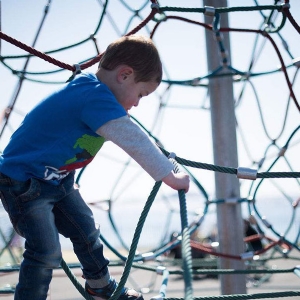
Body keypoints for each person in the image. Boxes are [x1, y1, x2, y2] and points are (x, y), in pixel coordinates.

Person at [0, 35, 190, 300]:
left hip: (57, 181)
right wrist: (169, 176)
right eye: (141, 94)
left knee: (87, 230)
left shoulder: (90, 91)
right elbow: (132, 138)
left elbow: (66, 139)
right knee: (45, 251)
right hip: (24, 181)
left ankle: (100, 286)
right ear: (124, 75)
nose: (136, 103)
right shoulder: (94, 96)